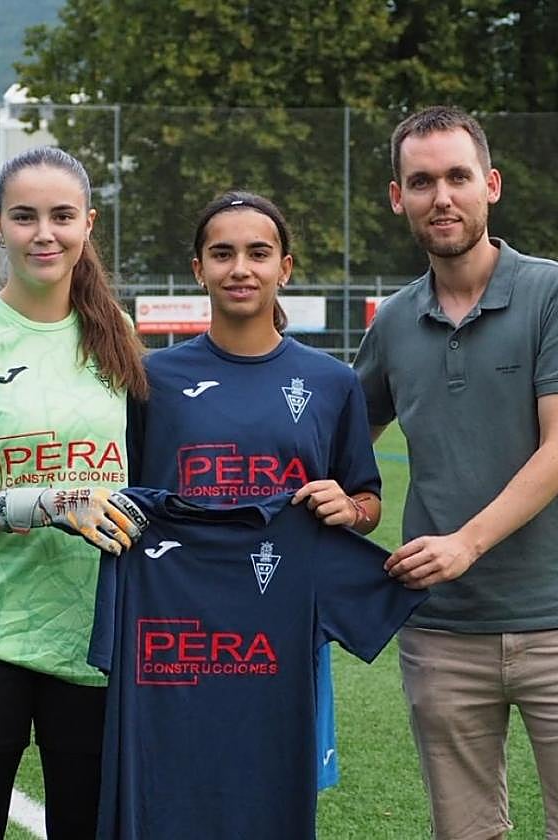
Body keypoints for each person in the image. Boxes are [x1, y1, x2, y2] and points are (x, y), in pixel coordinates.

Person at [353, 105, 558, 840]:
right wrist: (353, 501)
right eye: (421, 181)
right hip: (442, 632)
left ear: (491, 185)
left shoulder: (557, 293)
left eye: (457, 177)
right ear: (398, 197)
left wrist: (464, 544)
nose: (441, 196)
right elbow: (343, 440)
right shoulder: (393, 322)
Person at [0, 145, 148, 840]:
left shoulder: (119, 337)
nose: (45, 233)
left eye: (62, 216)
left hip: (96, 637)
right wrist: (42, 504)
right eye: (25, 216)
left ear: (88, 224)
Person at [125, 191, 384, 791]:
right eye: (222, 254)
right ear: (198, 270)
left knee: (276, 793)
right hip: (178, 635)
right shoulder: (151, 379)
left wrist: (348, 509)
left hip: (282, 634)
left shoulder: (332, 382)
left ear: (284, 268)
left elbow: (368, 503)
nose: (240, 268)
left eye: (258, 253)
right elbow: (126, 498)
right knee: (178, 793)